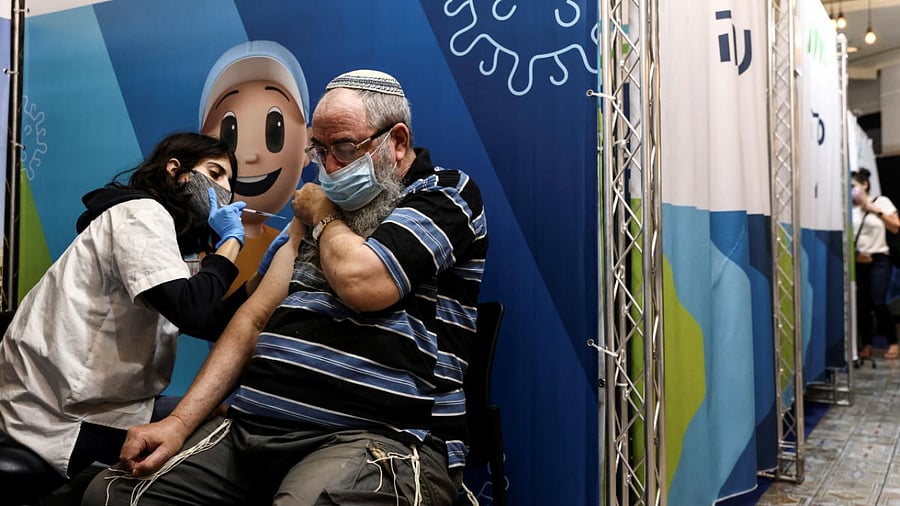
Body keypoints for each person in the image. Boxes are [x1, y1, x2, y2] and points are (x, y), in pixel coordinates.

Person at [84, 69, 489, 506]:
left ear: (397, 141)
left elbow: (364, 282)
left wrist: (323, 214)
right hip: (254, 427)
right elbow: (253, 317)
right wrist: (179, 422)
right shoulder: (309, 219)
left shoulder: (444, 193)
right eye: (320, 148)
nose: (329, 165)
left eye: (346, 148)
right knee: (113, 495)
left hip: (377, 436)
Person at [0, 132, 284, 485]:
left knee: (224, 418)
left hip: (100, 403)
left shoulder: (167, 239)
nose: (225, 190)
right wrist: (230, 243)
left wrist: (262, 277)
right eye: (214, 174)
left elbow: (209, 323)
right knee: (224, 439)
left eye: (229, 181)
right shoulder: (141, 214)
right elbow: (191, 310)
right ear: (175, 169)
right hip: (62, 414)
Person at [199, 40, 311, 294]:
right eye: (230, 134)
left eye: (275, 131)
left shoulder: (292, 245)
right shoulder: (191, 244)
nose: (250, 156)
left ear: (309, 144)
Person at [852, 168, 900, 360]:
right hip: (858, 258)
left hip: (879, 258)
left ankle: (893, 342)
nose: (851, 191)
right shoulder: (848, 208)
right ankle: (867, 344)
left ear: (865, 185)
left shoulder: (881, 201)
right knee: (861, 304)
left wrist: (873, 209)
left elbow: (896, 226)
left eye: (854, 186)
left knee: (878, 300)